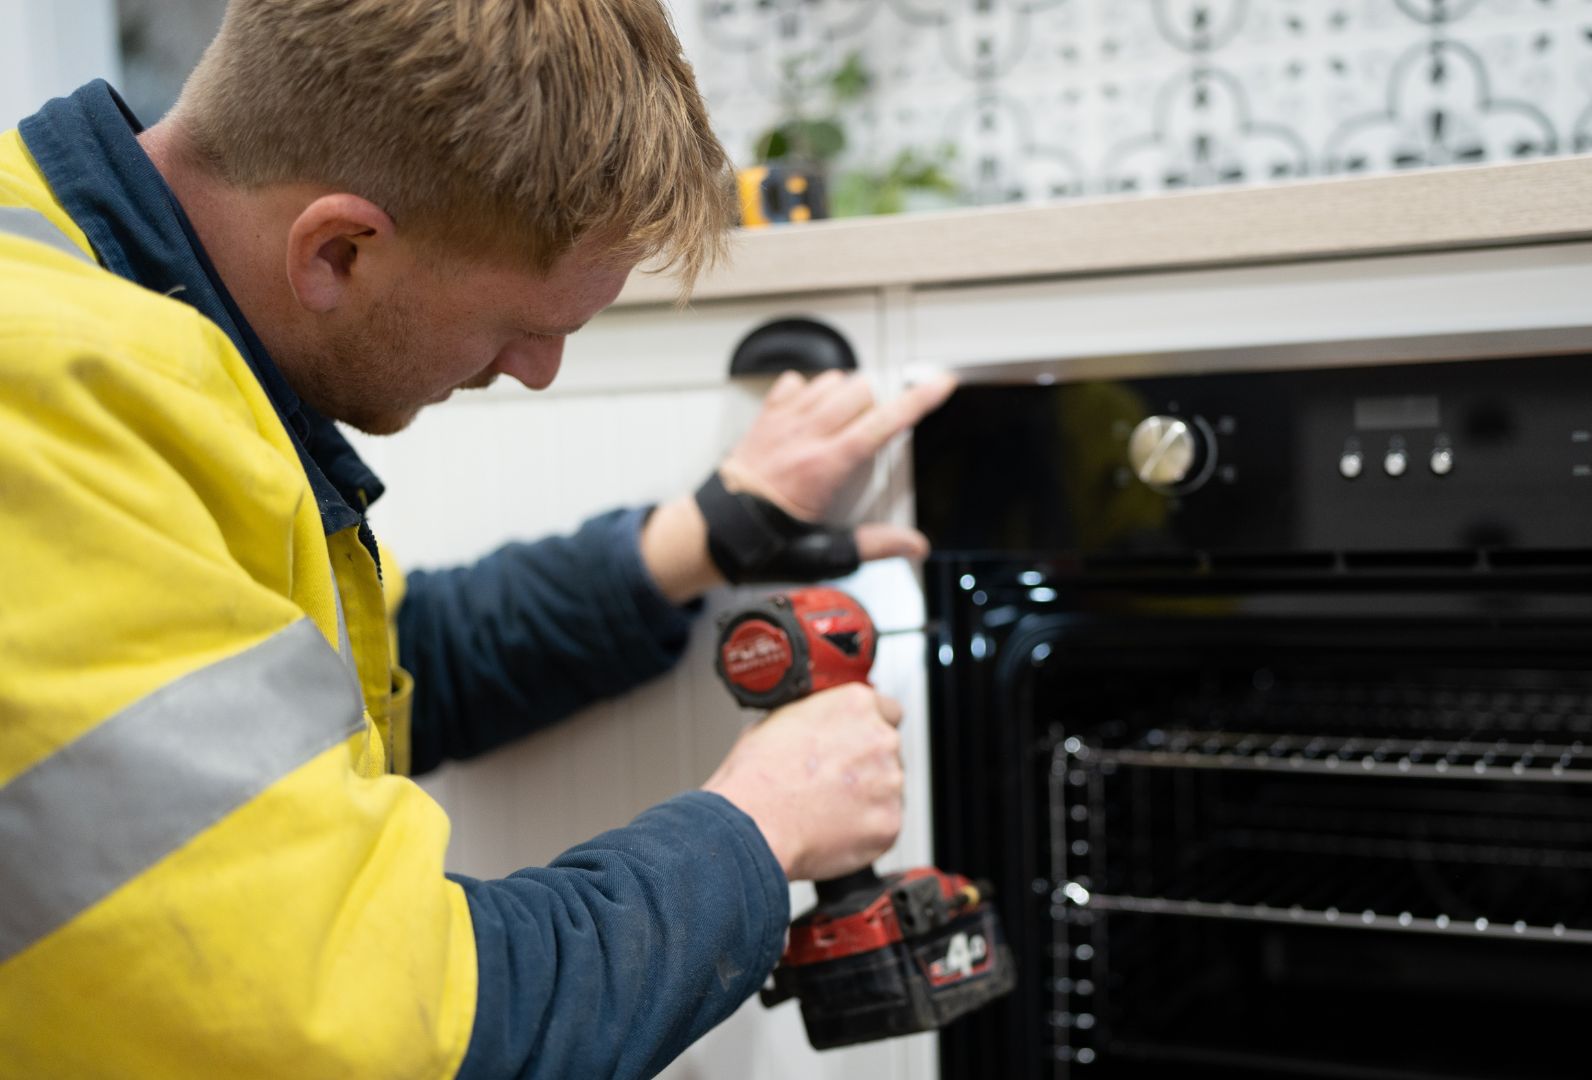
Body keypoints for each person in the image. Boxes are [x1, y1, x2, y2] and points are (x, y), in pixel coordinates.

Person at [0, 1, 954, 1076]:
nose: (536, 370)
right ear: (340, 248)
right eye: (523, 328)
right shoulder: (41, 400)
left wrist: (711, 529)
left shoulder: (98, 292)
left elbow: (398, 670)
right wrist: (759, 825)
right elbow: (396, 1034)